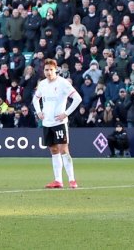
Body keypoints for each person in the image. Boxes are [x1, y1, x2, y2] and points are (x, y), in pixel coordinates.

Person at [33, 59, 82, 189]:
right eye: (46, 70)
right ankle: (58, 180)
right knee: (54, 150)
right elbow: (35, 99)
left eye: (51, 70)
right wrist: (38, 112)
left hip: (59, 122)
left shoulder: (63, 83)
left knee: (64, 150)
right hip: (47, 123)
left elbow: (78, 99)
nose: (48, 72)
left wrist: (66, 113)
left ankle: (72, 180)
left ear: (56, 70)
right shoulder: (42, 84)